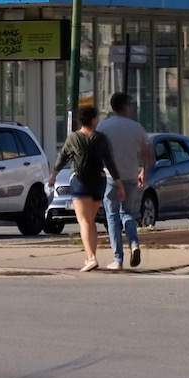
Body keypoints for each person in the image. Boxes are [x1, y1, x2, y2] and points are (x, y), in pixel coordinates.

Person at [50, 102, 121, 273]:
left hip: (80, 181)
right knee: (91, 221)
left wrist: (53, 176)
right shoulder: (102, 139)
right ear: (94, 119)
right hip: (98, 182)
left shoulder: (73, 138)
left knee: (84, 221)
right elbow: (110, 162)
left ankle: (91, 258)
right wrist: (119, 183)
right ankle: (91, 256)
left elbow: (62, 158)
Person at [99, 92, 153, 271]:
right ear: (126, 107)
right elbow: (148, 152)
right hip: (130, 176)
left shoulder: (104, 126)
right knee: (127, 212)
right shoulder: (136, 127)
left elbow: (95, 147)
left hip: (111, 177)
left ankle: (118, 259)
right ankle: (134, 243)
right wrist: (144, 170)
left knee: (112, 216)